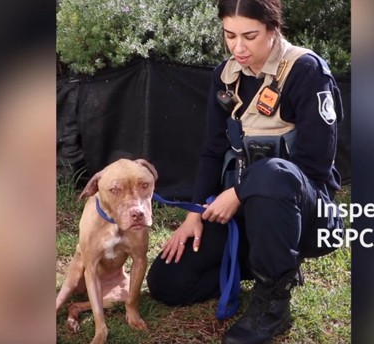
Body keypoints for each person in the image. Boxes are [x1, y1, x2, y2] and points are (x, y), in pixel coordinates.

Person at [146, 0, 344, 343]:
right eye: (230, 35)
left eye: (250, 36)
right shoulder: (224, 77)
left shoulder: (306, 71)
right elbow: (211, 150)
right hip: (247, 214)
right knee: (167, 281)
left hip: (305, 215)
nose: (238, 47)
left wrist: (237, 192)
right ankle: (271, 265)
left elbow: (314, 166)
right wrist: (194, 215)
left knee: (272, 173)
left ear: (272, 29)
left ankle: (273, 304)